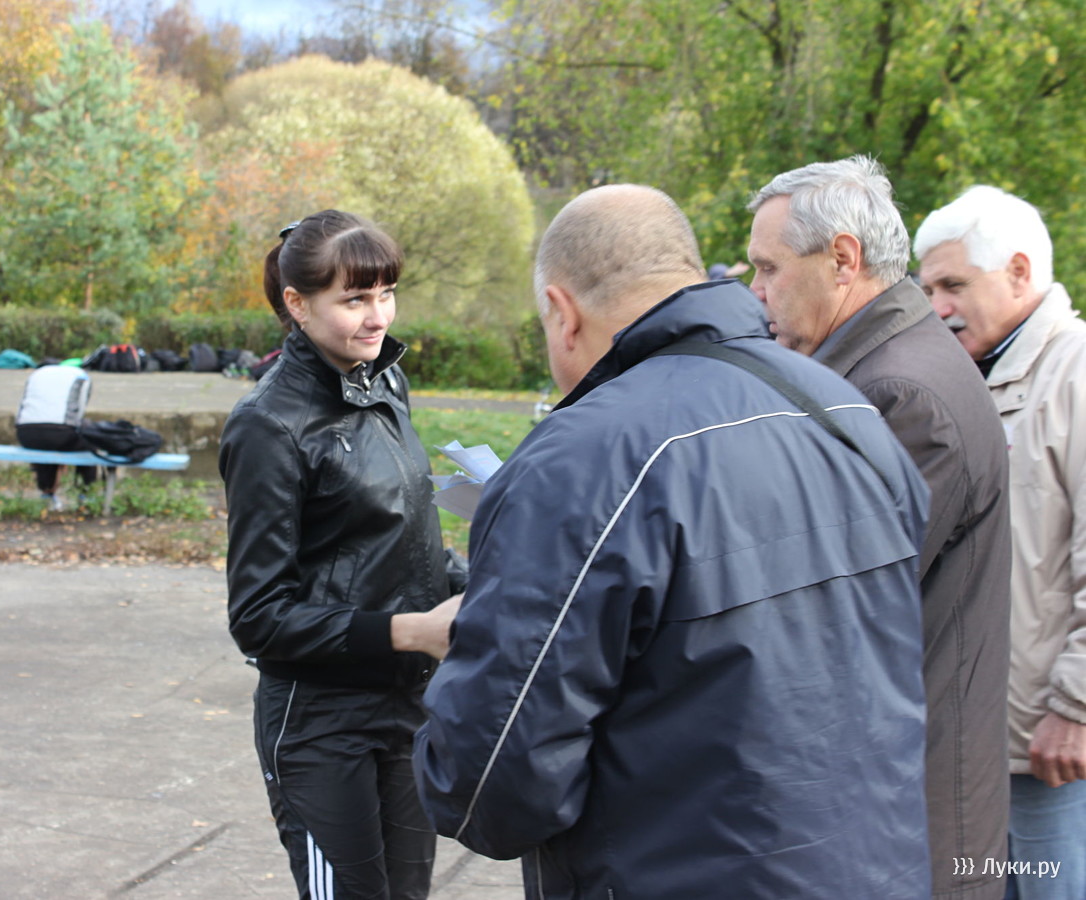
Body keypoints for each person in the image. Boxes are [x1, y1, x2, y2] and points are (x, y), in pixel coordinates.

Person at [414, 184, 933, 897]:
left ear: (563, 313)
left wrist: (464, 653)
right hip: (877, 870)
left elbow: (487, 789)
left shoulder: (581, 461)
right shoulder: (845, 411)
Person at [747, 156, 1012, 900]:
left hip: (910, 823)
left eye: (768, 267)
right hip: (895, 808)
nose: (756, 290)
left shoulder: (899, 394)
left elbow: (821, 611)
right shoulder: (885, 366)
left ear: (842, 259)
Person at [218, 210, 467, 900]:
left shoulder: (384, 384)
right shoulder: (268, 425)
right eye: (355, 298)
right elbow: (259, 618)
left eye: (387, 293)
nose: (378, 316)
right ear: (297, 305)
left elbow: (397, 542)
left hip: (409, 705)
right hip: (321, 723)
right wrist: (411, 631)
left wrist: (478, 582)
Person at [915, 186, 1086, 900]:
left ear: (1019, 272)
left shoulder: (1075, 376)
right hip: (981, 745)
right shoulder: (973, 378)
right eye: (927, 289)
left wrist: (1077, 708)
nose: (936, 307)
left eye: (954, 285)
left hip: (1052, 752)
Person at [14, 362, 97, 510]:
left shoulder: (35, 375)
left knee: (43, 444)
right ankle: (85, 493)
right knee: (89, 444)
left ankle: (47, 494)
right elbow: (79, 412)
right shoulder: (80, 375)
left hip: (26, 434)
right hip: (61, 433)